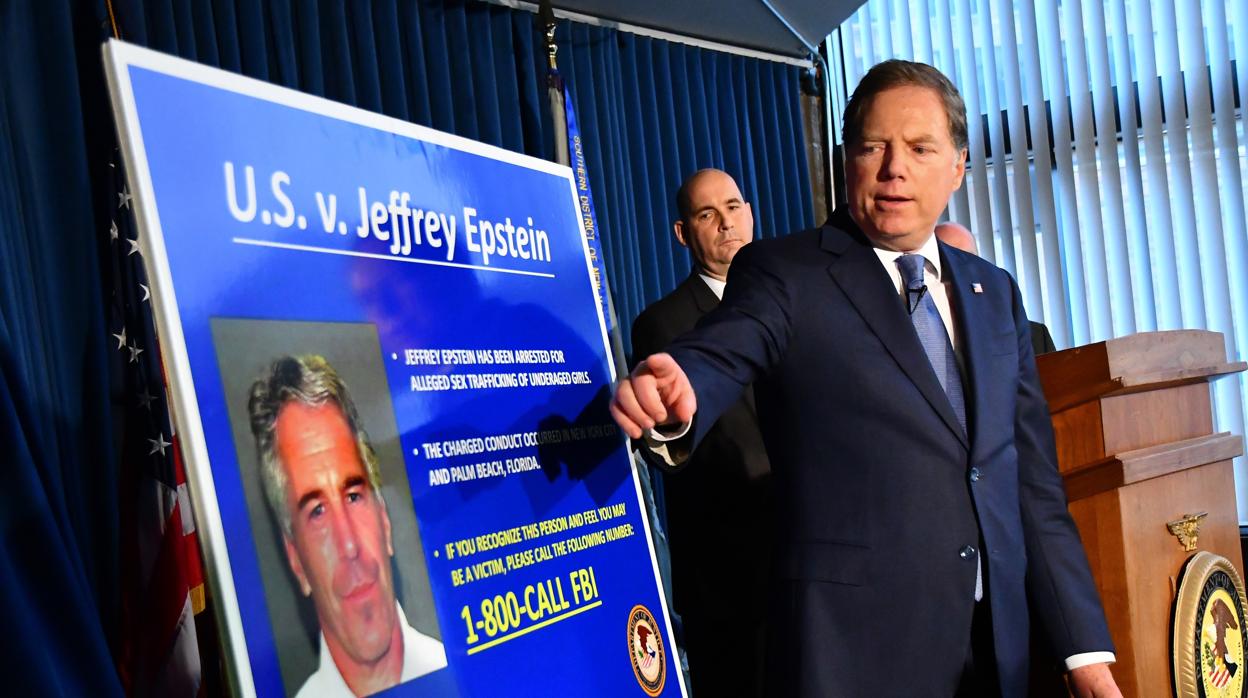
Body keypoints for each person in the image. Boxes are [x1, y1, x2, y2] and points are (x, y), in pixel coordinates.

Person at [611, 60, 1120, 696]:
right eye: (873, 147)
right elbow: (726, 348)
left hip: (996, 656)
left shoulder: (995, 294)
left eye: (920, 148)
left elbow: (1032, 485)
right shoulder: (786, 274)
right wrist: (680, 389)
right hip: (856, 655)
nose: (893, 168)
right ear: (846, 160)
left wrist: (1084, 653)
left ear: (958, 165)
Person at [631, 168, 772, 696]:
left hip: (814, 566)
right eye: (707, 214)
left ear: (750, 214)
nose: (726, 223)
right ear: (683, 233)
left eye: (733, 208)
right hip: (731, 579)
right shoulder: (663, 325)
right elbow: (677, 447)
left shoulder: (793, 302)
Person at [248, 355, 446, 697]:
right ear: (295, 560)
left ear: (384, 519)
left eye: (354, 496)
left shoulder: (465, 670)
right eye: (317, 512)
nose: (349, 544)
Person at [934, 221, 1058, 355]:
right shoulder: (926, 345)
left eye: (968, 259)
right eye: (946, 262)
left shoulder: (1034, 338)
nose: (958, 272)